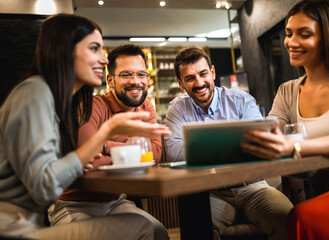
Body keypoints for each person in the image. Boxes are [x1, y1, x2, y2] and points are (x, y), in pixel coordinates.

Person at [0, 13, 170, 239]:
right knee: (145, 228)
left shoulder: (56, 98)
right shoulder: (35, 92)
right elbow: (44, 187)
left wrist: (99, 144)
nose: (104, 60)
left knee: (152, 228)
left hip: (28, 222)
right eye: (94, 49)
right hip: (12, 227)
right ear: (65, 50)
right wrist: (107, 133)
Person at [238, 0, 329, 239]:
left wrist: (292, 146)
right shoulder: (288, 90)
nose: (291, 43)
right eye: (288, 33)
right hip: (321, 187)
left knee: (301, 217)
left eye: (304, 34)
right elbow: (269, 133)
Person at [164, 47, 293, 240]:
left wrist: (202, 150)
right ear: (180, 83)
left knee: (289, 219)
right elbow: (174, 153)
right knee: (196, 227)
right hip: (210, 192)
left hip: (252, 186)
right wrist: (236, 148)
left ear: (213, 72)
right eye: (190, 78)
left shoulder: (241, 100)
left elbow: (261, 143)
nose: (199, 83)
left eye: (203, 73)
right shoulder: (177, 109)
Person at [47, 44, 161, 221]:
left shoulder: (146, 107)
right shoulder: (91, 106)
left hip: (117, 201)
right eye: (126, 74)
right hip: (73, 203)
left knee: (156, 232)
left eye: (141, 74)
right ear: (110, 81)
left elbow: (155, 155)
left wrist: (105, 146)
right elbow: (86, 162)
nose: (135, 81)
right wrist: (133, 152)